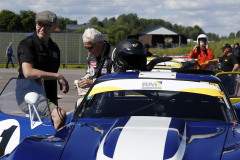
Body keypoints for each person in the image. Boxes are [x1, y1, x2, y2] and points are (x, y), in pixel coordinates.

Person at [17, 10, 69, 130]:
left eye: (47, 25)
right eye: (39, 24)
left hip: (48, 95)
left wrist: (58, 80)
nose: (42, 28)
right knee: (59, 116)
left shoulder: (54, 48)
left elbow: (51, 73)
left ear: (53, 28)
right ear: (35, 24)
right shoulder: (27, 44)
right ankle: (54, 146)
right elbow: (28, 72)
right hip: (29, 95)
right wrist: (58, 76)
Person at [74, 28, 115, 104]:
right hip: (95, 94)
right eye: (86, 48)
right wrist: (82, 81)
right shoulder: (90, 55)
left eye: (90, 47)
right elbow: (90, 73)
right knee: (79, 104)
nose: (89, 51)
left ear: (100, 43)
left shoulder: (113, 53)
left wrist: (92, 82)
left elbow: (117, 80)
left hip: (111, 97)